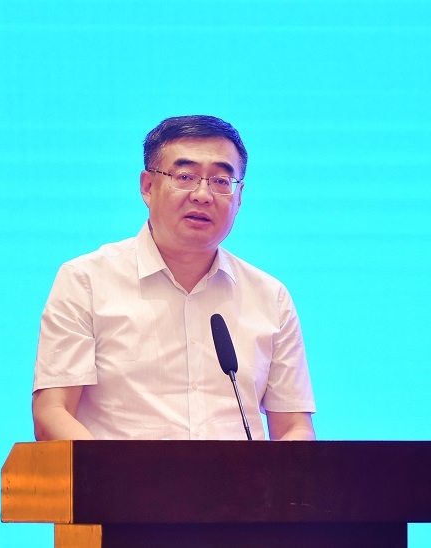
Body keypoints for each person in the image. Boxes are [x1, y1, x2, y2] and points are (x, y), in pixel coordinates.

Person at [32, 115, 316, 441]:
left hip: (240, 477)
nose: (203, 194)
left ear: (239, 197)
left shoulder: (270, 297)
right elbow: (52, 412)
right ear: (148, 187)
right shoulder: (86, 282)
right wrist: (110, 472)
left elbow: (294, 427)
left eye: (221, 181)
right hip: (120, 476)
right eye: (185, 177)